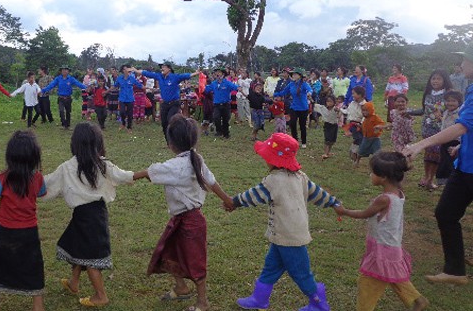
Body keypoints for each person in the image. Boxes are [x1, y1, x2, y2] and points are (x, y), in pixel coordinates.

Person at [229, 132, 339, 311]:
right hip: (283, 234)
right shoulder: (300, 176)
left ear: (273, 159)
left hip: (290, 237)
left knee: (301, 273)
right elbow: (318, 193)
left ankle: (319, 303)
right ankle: (260, 298)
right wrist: (333, 202)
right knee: (271, 267)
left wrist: (234, 202)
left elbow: (254, 195)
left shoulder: (274, 180)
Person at [135, 114, 234, 311]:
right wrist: (228, 200)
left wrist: (124, 177)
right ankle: (181, 287)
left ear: (170, 143)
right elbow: (212, 182)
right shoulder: (195, 158)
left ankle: (203, 302)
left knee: (195, 260)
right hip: (182, 219)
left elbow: (149, 172)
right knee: (169, 251)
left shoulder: (175, 166)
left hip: (191, 222)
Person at [42, 123, 145, 307]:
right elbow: (123, 176)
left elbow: (47, 183)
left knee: (90, 258)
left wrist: (26, 180)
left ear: (74, 143)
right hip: (92, 215)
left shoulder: (68, 167)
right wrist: (143, 173)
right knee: (76, 247)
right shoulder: (102, 164)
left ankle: (101, 295)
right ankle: (74, 283)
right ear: (98, 143)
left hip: (88, 217)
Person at [402, 48, 473, 286]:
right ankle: (455, 270)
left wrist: (420, 144)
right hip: (465, 166)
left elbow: (461, 126)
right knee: (446, 213)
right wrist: (461, 147)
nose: (461, 65)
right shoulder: (470, 89)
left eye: (465, 60)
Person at [333, 152, 429, 311]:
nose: (370, 175)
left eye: (373, 172)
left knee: (367, 285)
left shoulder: (383, 199)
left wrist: (343, 211)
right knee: (395, 278)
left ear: (383, 177)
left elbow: (364, 214)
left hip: (382, 250)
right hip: (392, 247)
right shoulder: (398, 192)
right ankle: (417, 299)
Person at [0, 131, 46, 311]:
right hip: (30, 231)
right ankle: (38, 306)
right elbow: (41, 192)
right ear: (34, 156)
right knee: (33, 265)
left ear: (10, 156)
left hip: (6, 230)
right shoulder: (37, 177)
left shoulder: (4, 177)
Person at [132, 64, 200, 143]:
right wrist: (136, 71)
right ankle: (169, 142)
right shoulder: (159, 76)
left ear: (169, 69)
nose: (162, 68)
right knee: (164, 123)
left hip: (174, 103)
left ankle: (177, 136)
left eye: (164, 67)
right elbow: (147, 73)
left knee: (170, 120)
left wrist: (195, 73)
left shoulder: (175, 77)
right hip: (164, 104)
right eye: (161, 67)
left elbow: (185, 75)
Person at [408, 70, 452, 190]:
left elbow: (453, 109)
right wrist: (408, 111)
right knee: (428, 154)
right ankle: (426, 177)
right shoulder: (428, 94)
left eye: (438, 79)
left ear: (444, 80)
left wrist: (443, 116)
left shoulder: (448, 94)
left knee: (436, 155)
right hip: (427, 128)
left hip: (441, 130)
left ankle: (430, 179)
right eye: (433, 79)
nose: (435, 81)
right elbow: (423, 110)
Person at [274, 68, 312, 148]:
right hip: (294, 107)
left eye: (295, 74)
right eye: (293, 74)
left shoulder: (304, 84)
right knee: (292, 124)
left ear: (300, 76)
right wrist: (275, 94)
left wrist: (309, 93)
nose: (293, 75)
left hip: (303, 108)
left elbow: (309, 89)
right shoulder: (291, 84)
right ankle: (295, 141)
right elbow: (284, 92)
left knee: (302, 125)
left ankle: (304, 142)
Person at [434, 90, 464, 187]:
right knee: (444, 161)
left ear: (459, 102)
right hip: (445, 140)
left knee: (451, 163)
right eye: (448, 101)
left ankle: (453, 182)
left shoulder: (460, 113)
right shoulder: (446, 112)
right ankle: (445, 182)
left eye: (453, 101)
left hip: (455, 142)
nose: (450, 103)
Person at [204, 68, 240, 139]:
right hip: (217, 105)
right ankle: (219, 131)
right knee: (216, 118)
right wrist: (201, 86)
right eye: (216, 73)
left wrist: (239, 88)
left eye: (219, 73)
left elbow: (236, 87)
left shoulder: (227, 83)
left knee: (225, 120)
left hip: (226, 104)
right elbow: (206, 90)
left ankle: (226, 133)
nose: (217, 74)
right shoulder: (213, 83)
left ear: (223, 75)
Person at [341, 86, 367, 166]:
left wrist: (361, 124)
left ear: (360, 95)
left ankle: (354, 153)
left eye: (354, 94)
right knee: (358, 139)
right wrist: (340, 110)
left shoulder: (365, 105)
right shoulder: (352, 103)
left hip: (360, 125)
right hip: (353, 124)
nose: (352, 95)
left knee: (360, 139)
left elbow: (365, 116)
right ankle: (354, 153)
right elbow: (347, 111)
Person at [114, 65, 143, 132]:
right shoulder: (119, 78)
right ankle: (123, 123)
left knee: (130, 114)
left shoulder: (132, 78)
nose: (126, 70)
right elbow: (115, 86)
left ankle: (129, 127)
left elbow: (139, 85)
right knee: (122, 112)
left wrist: (150, 88)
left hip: (130, 99)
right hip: (122, 98)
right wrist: (107, 91)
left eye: (127, 69)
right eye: (124, 69)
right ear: (122, 71)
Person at [356, 102, 385, 167]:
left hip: (375, 138)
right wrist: (359, 126)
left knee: (377, 152)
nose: (364, 112)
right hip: (366, 138)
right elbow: (364, 127)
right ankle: (357, 160)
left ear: (371, 110)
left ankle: (376, 165)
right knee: (361, 151)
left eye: (366, 110)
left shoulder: (375, 117)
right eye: (363, 110)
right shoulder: (365, 119)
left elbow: (382, 123)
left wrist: (378, 127)